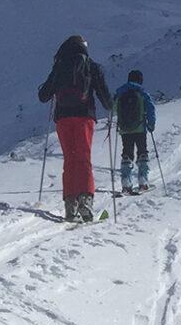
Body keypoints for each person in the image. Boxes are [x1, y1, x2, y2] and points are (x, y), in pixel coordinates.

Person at [37, 34, 113, 221]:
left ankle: (70, 203)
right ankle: (85, 200)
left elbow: (43, 95)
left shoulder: (60, 66)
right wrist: (111, 106)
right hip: (84, 116)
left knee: (69, 160)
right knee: (83, 158)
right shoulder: (91, 66)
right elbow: (105, 96)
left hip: (63, 119)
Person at [114, 69, 157, 193]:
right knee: (142, 152)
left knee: (127, 153)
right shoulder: (142, 92)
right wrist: (151, 123)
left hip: (125, 129)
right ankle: (143, 181)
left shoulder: (121, 92)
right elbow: (150, 108)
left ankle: (126, 183)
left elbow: (113, 107)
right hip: (140, 128)